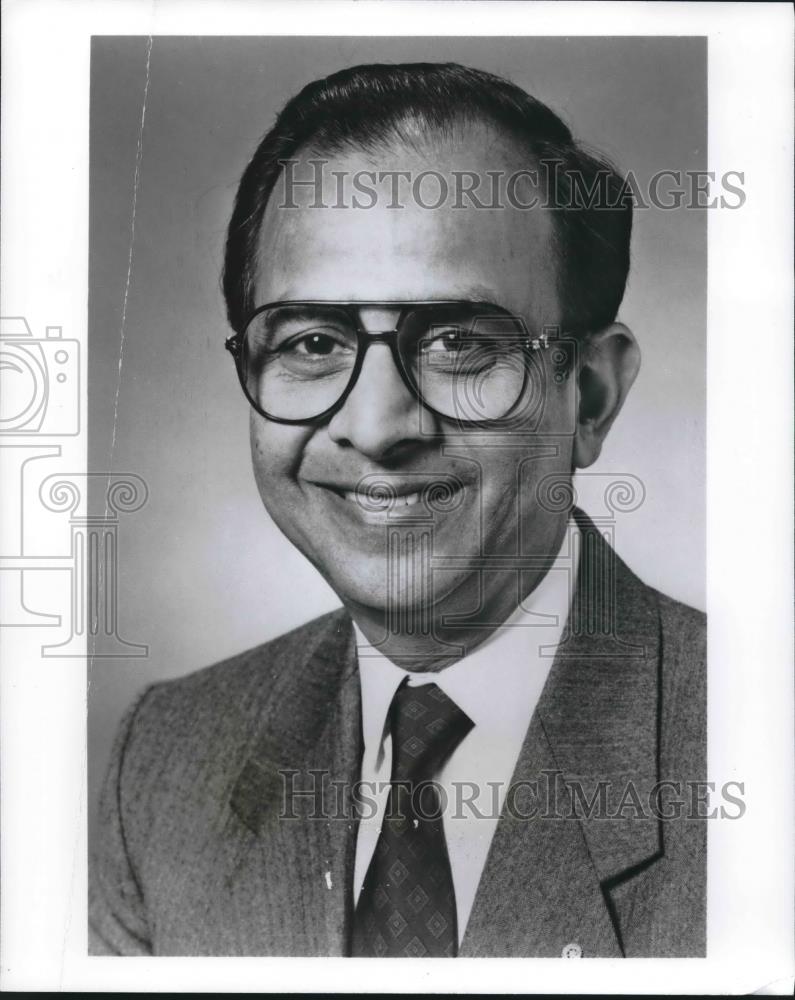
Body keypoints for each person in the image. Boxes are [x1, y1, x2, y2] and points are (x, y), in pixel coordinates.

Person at [89, 62, 706, 958]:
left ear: (593, 396)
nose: (377, 428)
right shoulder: (164, 763)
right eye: (311, 341)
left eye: (458, 341)